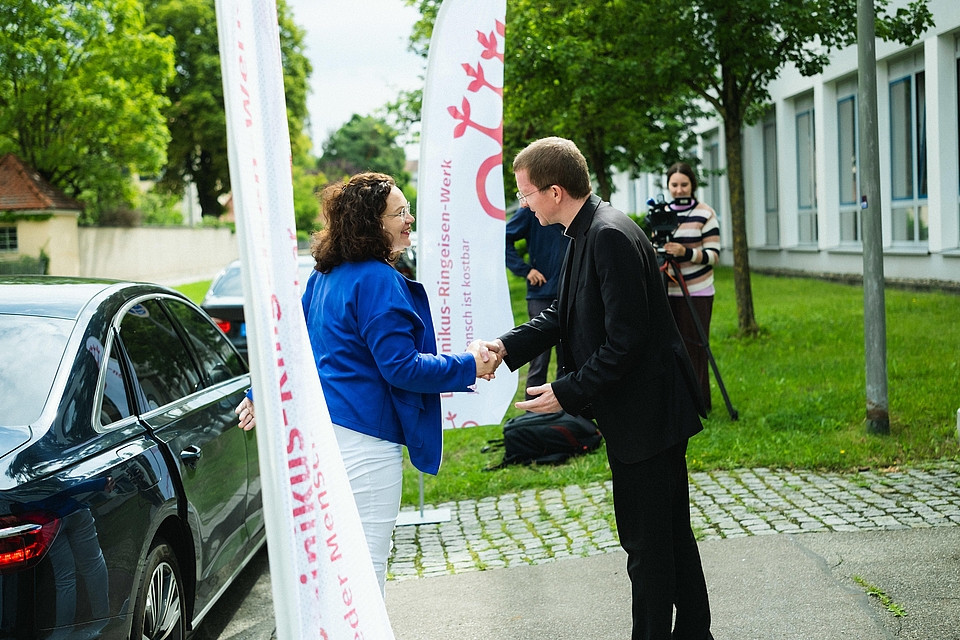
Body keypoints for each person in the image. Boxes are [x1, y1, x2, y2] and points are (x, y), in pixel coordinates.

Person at [483, 137, 713, 640]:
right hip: (644, 413)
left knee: (648, 545)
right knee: (668, 537)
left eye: (525, 194)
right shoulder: (587, 228)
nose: (523, 204)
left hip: (648, 415)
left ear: (556, 190)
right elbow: (564, 314)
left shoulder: (605, 234)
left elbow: (625, 342)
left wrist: (565, 391)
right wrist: (505, 348)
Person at [234, 172, 499, 596]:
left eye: (407, 209)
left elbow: (293, 343)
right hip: (365, 444)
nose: (409, 219)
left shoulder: (325, 274)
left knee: (336, 570)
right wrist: (470, 364)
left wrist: (257, 391)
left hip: (325, 435)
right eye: (399, 213)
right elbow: (403, 368)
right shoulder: (376, 279)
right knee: (364, 573)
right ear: (370, 224)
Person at [661, 162, 720, 414]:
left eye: (684, 184)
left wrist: (686, 253)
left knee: (695, 347)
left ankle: (699, 402)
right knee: (669, 349)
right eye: (674, 185)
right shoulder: (660, 213)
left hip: (697, 291)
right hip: (668, 290)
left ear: (692, 185)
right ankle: (675, 401)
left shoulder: (705, 213)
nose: (679, 190)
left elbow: (714, 255)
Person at [505, 205, 569, 400]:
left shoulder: (571, 206)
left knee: (569, 357)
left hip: (569, 292)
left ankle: (566, 414)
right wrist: (525, 270)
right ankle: (534, 413)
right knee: (539, 358)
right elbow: (504, 239)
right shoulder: (531, 209)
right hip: (541, 293)